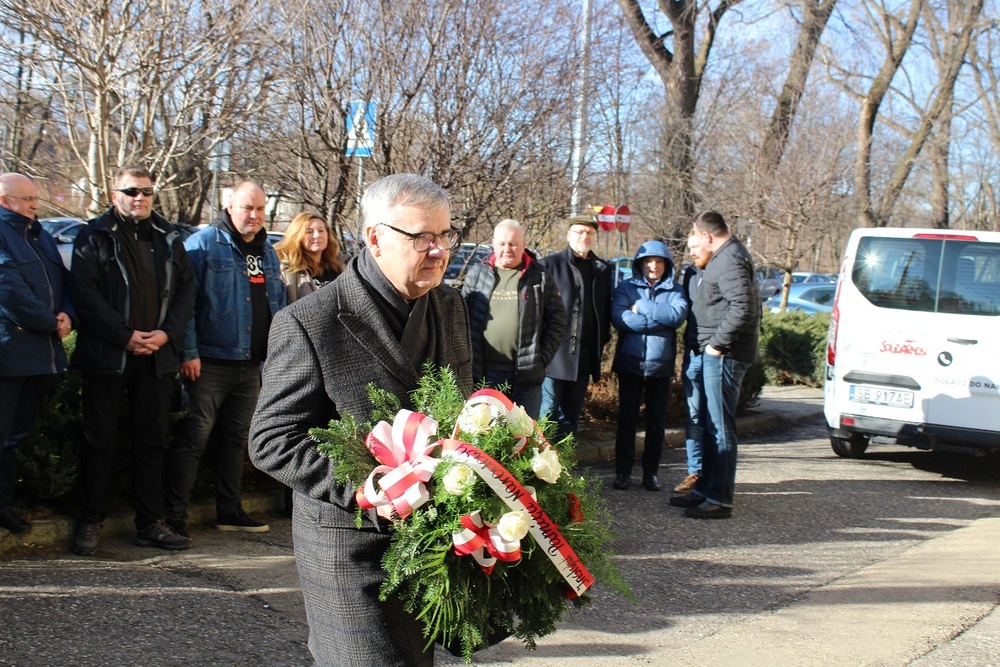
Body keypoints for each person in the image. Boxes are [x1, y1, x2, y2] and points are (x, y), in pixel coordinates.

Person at [249, 173, 472, 667]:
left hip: (431, 545)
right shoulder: (310, 322)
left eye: (445, 235)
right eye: (422, 237)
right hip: (350, 551)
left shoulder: (449, 306)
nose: (438, 250)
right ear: (374, 237)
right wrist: (370, 491)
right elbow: (271, 440)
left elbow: (460, 408)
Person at [71, 164, 195, 555]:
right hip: (109, 357)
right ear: (114, 194)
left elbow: (186, 291)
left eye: (145, 192)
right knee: (100, 441)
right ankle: (90, 521)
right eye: (131, 191)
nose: (139, 198)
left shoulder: (169, 236)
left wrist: (166, 334)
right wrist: (124, 336)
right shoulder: (92, 236)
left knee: (151, 443)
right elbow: (85, 294)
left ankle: (150, 523)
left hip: (156, 358)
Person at [164, 181, 286, 537]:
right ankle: (173, 517)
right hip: (209, 362)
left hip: (251, 364)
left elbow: (275, 303)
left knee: (237, 440)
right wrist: (189, 352)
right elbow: (184, 306)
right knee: (194, 440)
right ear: (229, 206)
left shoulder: (267, 252)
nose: (255, 216)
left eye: (261, 209)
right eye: (248, 208)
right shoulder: (202, 245)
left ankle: (229, 511)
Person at [670, 211, 759, 519]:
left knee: (720, 428)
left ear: (707, 235)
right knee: (709, 425)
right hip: (717, 352)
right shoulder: (723, 256)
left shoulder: (731, 258)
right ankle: (705, 489)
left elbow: (743, 308)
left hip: (725, 355)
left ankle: (720, 499)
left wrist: (716, 345)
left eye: (696, 236)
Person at [0, 173, 74, 534]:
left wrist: (67, 314)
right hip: (9, 355)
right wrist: (49, 321)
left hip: (40, 356)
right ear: (4, 201)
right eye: (27, 199)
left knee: (15, 436)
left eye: (35, 198)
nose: (34, 205)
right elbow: (8, 289)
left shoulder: (40, 235)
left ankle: (4, 506)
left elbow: (63, 281)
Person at [461, 219, 565, 418]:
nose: (507, 249)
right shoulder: (477, 274)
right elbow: (462, 321)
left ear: (524, 245)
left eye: (513, 243)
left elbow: (557, 320)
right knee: (485, 440)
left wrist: (540, 360)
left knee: (524, 442)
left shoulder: (539, 277)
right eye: (502, 243)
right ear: (493, 243)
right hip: (484, 376)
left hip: (525, 379)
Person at [610, 240, 687, 492]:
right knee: (627, 421)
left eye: (659, 262)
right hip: (630, 364)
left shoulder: (675, 289)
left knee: (656, 423)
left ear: (667, 265)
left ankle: (650, 473)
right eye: (649, 261)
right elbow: (620, 318)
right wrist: (658, 319)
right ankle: (623, 472)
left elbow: (676, 317)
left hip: (659, 366)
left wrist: (641, 307)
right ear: (640, 263)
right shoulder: (626, 287)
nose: (653, 266)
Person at [539, 215, 612, 441]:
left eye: (590, 233)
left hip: (584, 356)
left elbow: (604, 311)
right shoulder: (549, 265)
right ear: (569, 235)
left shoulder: (602, 269)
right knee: (547, 414)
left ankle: (562, 469)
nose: (585, 237)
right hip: (553, 356)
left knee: (571, 418)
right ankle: (537, 469)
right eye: (579, 232)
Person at [674, 232, 712, 494]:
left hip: (716, 353)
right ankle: (695, 473)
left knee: (714, 417)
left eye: (695, 247)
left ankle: (714, 475)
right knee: (694, 414)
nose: (691, 253)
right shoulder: (690, 273)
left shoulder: (725, 271)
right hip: (693, 352)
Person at [274, 211, 346, 302]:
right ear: (297, 236)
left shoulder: (339, 267)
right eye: (309, 232)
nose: (317, 235)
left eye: (321, 230)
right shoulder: (287, 271)